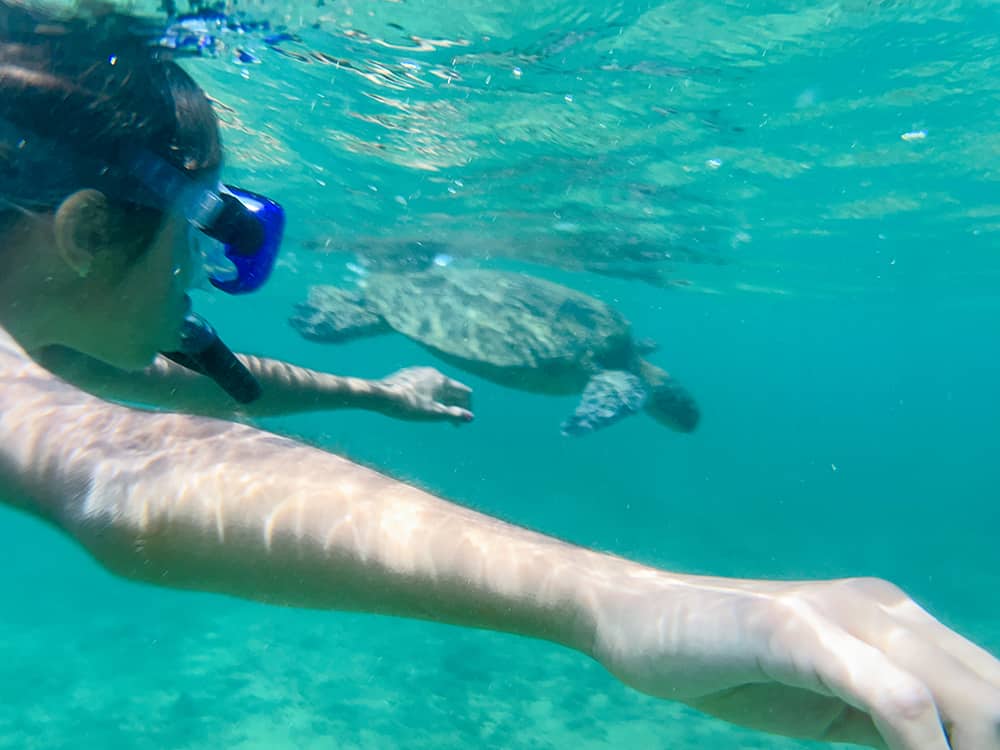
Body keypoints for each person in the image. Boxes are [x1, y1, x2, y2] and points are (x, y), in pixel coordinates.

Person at [0, 5, 997, 750]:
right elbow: (120, 468)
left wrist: (375, 395)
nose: (202, 287)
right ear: (87, 231)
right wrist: (616, 601)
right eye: (201, 244)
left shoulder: (48, 329)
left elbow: (157, 389)